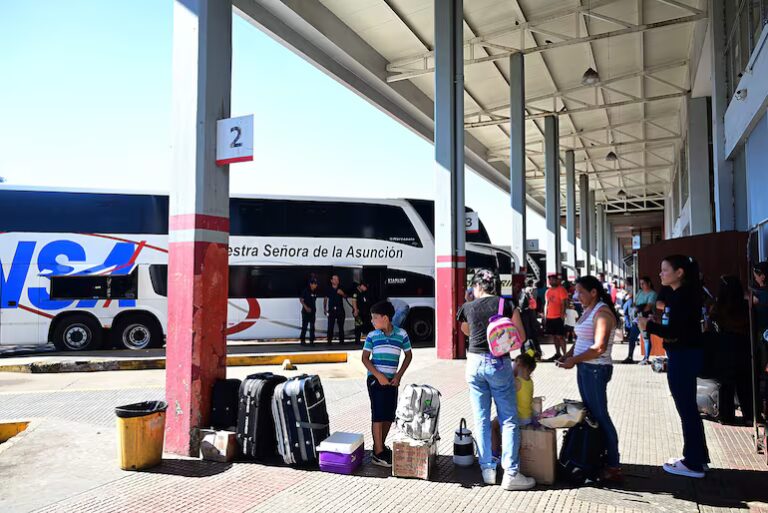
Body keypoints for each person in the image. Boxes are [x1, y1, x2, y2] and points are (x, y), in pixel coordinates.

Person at [456, 268, 534, 490]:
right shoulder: (505, 305)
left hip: (473, 364)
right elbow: (521, 336)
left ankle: (487, 470)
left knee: (481, 418)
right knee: (508, 419)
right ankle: (511, 474)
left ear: (477, 286)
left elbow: (466, 331)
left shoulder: (468, 307)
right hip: (498, 363)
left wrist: (473, 313)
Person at [637, 255, 710, 479]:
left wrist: (648, 326)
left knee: (686, 409)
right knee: (688, 409)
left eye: (665, 270)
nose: (660, 274)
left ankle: (693, 463)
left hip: (683, 355)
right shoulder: (680, 295)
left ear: (679, 273)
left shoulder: (683, 296)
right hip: (684, 354)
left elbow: (675, 332)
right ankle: (698, 457)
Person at [558, 275, 623, 483]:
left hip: (596, 369)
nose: (577, 296)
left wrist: (574, 359)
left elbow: (599, 347)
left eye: (581, 292)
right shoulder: (588, 310)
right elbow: (581, 339)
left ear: (594, 292)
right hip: (586, 368)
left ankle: (613, 464)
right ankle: (598, 456)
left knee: (600, 416)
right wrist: (568, 356)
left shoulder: (602, 312)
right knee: (593, 416)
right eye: (575, 292)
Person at [361, 300, 413, 467]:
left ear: (385, 318)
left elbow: (408, 355)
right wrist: (378, 376)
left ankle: (380, 446)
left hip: (392, 381)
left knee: (389, 415)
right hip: (375, 380)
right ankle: (378, 453)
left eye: (374, 318)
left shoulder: (401, 334)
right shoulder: (372, 336)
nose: (372, 321)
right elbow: (365, 358)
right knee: (378, 414)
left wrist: (399, 375)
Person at [708, 275, 753, 423]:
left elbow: (711, 330)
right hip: (744, 349)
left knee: (725, 385)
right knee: (745, 384)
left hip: (723, 350)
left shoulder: (717, 309)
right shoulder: (746, 308)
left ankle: (726, 416)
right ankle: (749, 416)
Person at [490, 353, 537, 457]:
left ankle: (494, 454)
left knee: (491, 426)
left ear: (518, 363)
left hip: (518, 418)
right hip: (527, 417)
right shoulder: (529, 381)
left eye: (513, 363)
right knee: (498, 422)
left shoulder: (516, 382)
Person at [543, 274, 569, 362]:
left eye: (553, 279)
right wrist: (545, 315)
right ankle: (558, 354)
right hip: (550, 317)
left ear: (557, 280)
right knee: (554, 336)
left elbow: (564, 303)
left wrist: (562, 314)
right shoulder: (548, 291)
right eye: (550, 280)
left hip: (558, 317)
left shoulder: (561, 289)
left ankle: (565, 355)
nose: (551, 281)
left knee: (560, 336)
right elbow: (546, 304)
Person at [635, 277, 658, 365]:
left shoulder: (653, 293)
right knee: (632, 337)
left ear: (649, 283)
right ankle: (629, 356)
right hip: (637, 317)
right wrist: (636, 308)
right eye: (640, 284)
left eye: (643, 283)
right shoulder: (640, 292)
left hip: (647, 317)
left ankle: (646, 358)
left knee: (646, 337)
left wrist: (638, 308)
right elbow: (635, 303)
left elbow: (648, 307)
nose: (641, 285)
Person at [324, 274, 346, 345]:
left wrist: (342, 293)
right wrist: (325, 309)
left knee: (341, 326)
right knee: (330, 326)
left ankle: (341, 341)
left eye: (337, 279)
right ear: (331, 280)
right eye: (335, 279)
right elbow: (325, 299)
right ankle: (329, 341)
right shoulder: (328, 289)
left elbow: (346, 296)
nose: (336, 281)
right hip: (331, 309)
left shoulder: (341, 288)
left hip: (340, 309)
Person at [351, 281, 373, 345]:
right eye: (365, 287)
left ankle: (368, 340)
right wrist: (355, 310)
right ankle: (357, 341)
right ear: (361, 286)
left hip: (365, 312)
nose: (366, 288)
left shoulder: (364, 292)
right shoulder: (356, 292)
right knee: (358, 326)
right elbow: (354, 301)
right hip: (359, 313)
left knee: (367, 326)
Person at [621, 290, 639, 363]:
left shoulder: (629, 301)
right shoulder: (632, 301)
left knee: (632, 339)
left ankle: (630, 356)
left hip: (634, 322)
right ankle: (645, 357)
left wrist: (627, 324)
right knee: (645, 339)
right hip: (635, 321)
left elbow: (625, 311)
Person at [299, 278, 318, 345]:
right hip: (305, 311)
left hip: (312, 311)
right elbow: (301, 300)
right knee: (304, 326)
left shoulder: (315, 292)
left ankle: (311, 340)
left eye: (316, 284)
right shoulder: (306, 291)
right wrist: (306, 307)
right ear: (311, 284)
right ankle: (302, 340)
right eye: (314, 284)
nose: (315, 285)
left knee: (312, 327)